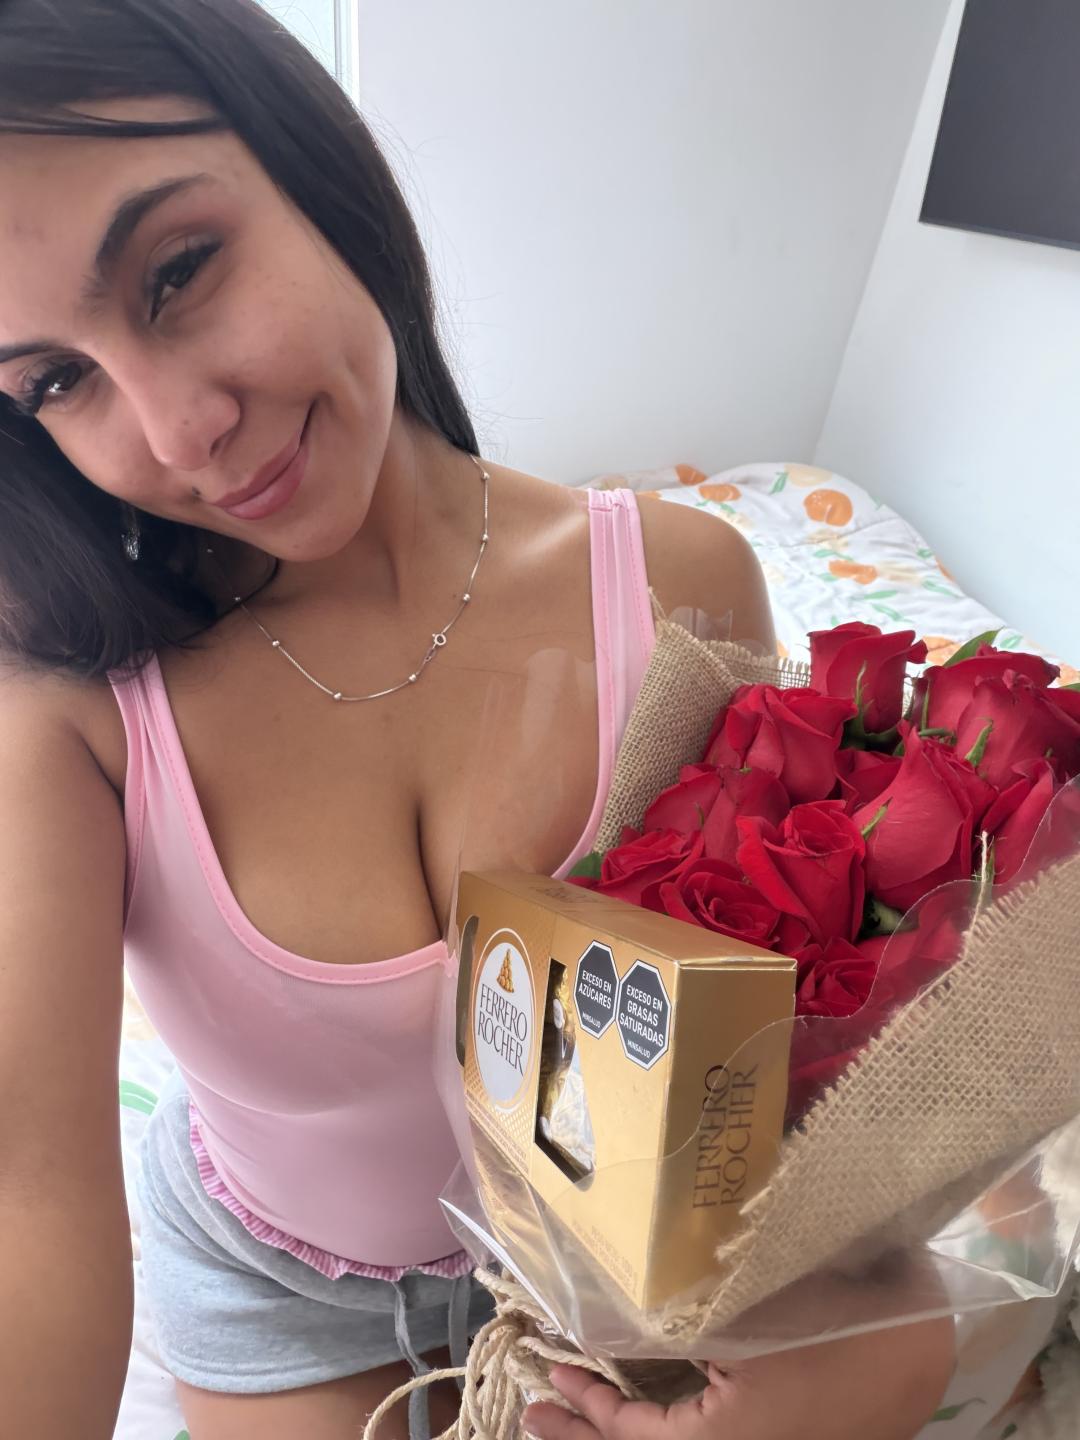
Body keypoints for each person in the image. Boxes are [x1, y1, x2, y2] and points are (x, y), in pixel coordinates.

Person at [0, 3, 951, 1438]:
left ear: (317, 169)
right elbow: (27, 1189)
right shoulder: (70, 704)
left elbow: (775, 1037)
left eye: (178, 271)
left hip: (619, 1261)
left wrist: (875, 1336)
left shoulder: (681, 587)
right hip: (286, 1291)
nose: (177, 431)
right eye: (56, 381)